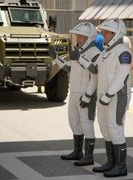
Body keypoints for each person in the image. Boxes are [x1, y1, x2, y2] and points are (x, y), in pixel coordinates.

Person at [79, 19, 132, 177]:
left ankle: (121, 166)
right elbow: (95, 71)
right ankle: (111, 162)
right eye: (103, 32)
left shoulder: (123, 51)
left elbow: (122, 75)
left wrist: (108, 95)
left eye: (107, 32)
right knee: (105, 129)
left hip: (117, 96)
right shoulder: (105, 52)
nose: (103, 35)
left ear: (116, 34)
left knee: (115, 129)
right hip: (103, 95)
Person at [48, 22, 101, 166]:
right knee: (74, 123)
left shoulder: (96, 53)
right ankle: (77, 152)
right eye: (77, 36)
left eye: (81, 37)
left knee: (87, 124)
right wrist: (56, 58)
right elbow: (68, 68)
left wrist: (88, 95)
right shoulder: (77, 51)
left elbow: (95, 74)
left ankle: (89, 157)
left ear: (89, 38)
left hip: (86, 95)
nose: (78, 39)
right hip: (74, 93)